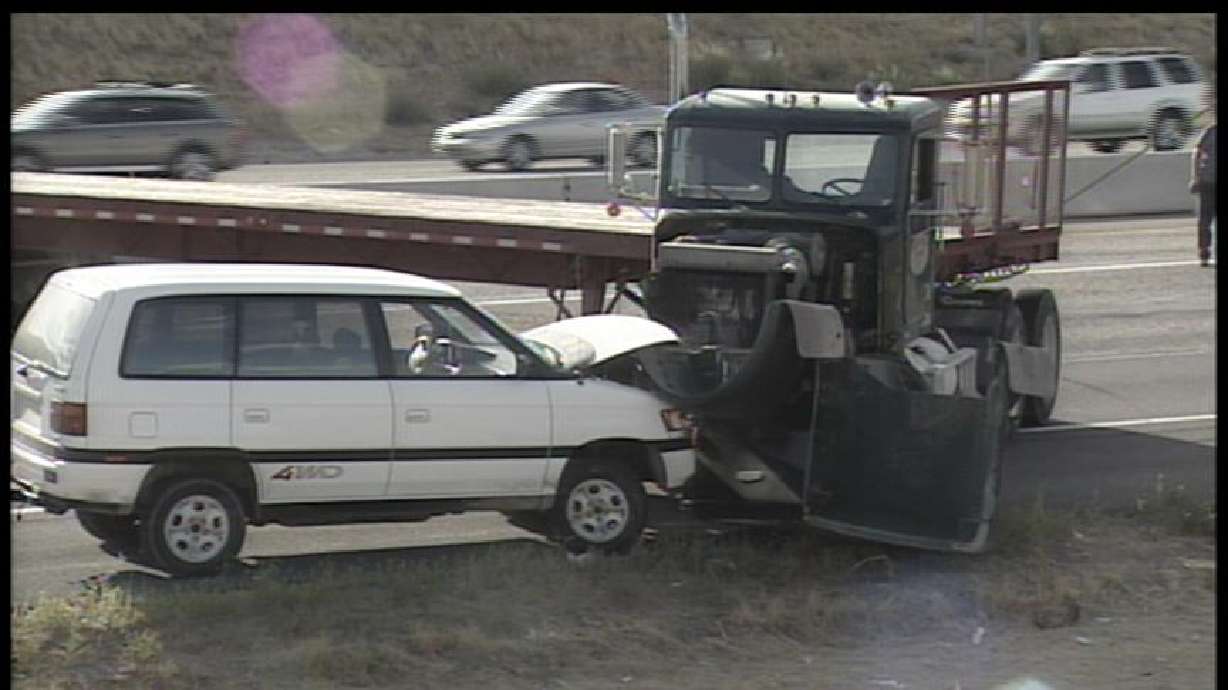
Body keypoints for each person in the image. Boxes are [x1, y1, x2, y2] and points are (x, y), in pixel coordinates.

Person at [1190, 89, 1216, 266]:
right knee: (1204, 220)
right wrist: (1195, 178)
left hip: (1208, 180)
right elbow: (1197, 154)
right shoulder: (1209, 132)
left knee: (1205, 220)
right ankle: (1204, 251)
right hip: (1208, 182)